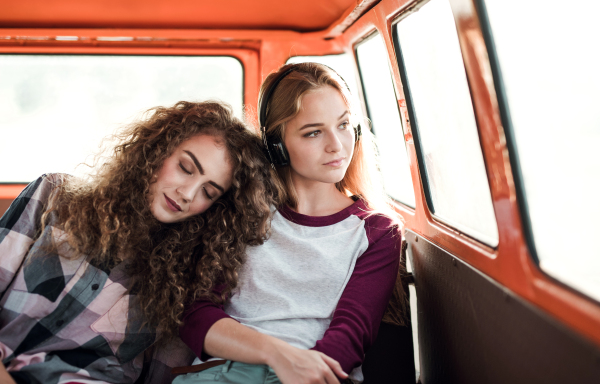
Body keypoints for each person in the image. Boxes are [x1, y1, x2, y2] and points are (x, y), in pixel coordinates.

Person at [0, 101, 280, 384]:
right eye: (185, 168)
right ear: (157, 151)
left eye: (208, 192)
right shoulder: (53, 195)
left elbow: (161, 378)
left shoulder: (187, 279)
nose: (187, 193)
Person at [175, 63, 407, 384]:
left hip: (318, 374)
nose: (336, 145)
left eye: (343, 125)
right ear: (277, 146)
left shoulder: (377, 232)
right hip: (227, 372)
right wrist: (275, 354)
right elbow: (195, 313)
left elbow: (352, 333)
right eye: (313, 132)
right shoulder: (244, 211)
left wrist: (297, 369)